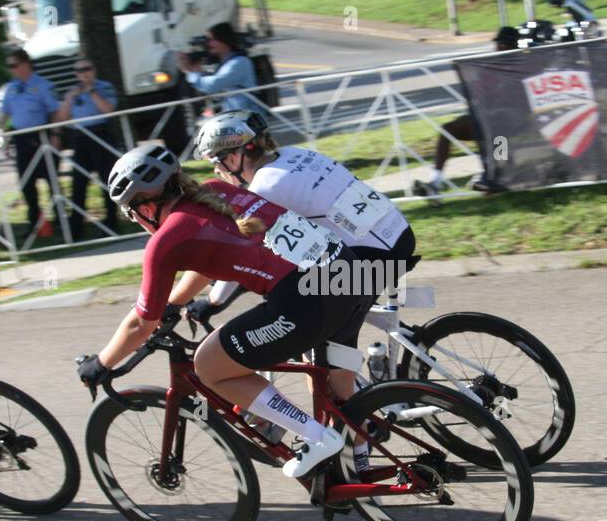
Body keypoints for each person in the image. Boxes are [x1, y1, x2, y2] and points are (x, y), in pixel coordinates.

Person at [75, 143, 374, 478]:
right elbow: (206, 258)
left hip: (306, 297)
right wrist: (174, 303)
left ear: (145, 206)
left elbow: (140, 325)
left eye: (131, 213)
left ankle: (317, 438)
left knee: (210, 365)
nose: (136, 221)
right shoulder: (215, 192)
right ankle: (359, 465)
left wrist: (100, 364)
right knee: (340, 388)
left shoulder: (165, 240)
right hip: (350, 273)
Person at [191, 111, 417, 470]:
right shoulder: (295, 154)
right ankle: (367, 389)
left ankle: (357, 447)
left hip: (368, 260)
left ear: (235, 156)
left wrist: (214, 301)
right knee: (319, 307)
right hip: (396, 237)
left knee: (320, 355)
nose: (218, 171)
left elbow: (252, 251)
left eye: (217, 162)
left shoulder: (263, 187)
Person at [412, 26, 520, 200]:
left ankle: (497, 177)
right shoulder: (489, 68)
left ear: (515, 46)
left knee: (496, 125)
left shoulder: (519, 67)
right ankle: (435, 183)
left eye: (505, 45)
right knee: (448, 129)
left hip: (510, 118)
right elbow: (477, 92)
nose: (500, 48)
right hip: (486, 117)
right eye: (499, 44)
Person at [1, 48, 62, 237]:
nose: (12, 69)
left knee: (51, 181)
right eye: (9, 66)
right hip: (21, 138)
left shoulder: (43, 85)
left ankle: (60, 220)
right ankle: (34, 222)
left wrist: (56, 134)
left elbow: (55, 111)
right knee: (27, 183)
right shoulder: (11, 88)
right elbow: (6, 114)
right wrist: (4, 138)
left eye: (14, 65)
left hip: (41, 137)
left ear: (25, 63)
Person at [55, 58, 119, 236]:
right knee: (78, 183)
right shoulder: (72, 93)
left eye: (87, 69)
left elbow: (109, 110)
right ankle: (76, 227)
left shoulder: (104, 87)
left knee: (107, 181)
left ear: (93, 69)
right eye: (79, 71)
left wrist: (92, 92)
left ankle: (112, 223)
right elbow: (62, 116)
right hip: (81, 138)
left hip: (101, 135)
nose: (83, 73)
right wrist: (69, 98)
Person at [177, 22, 270, 117]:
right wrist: (197, 70)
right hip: (234, 118)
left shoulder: (239, 62)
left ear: (224, 40)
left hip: (248, 120)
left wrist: (190, 72)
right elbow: (212, 92)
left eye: (211, 39)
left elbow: (212, 85)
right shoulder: (223, 64)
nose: (208, 44)